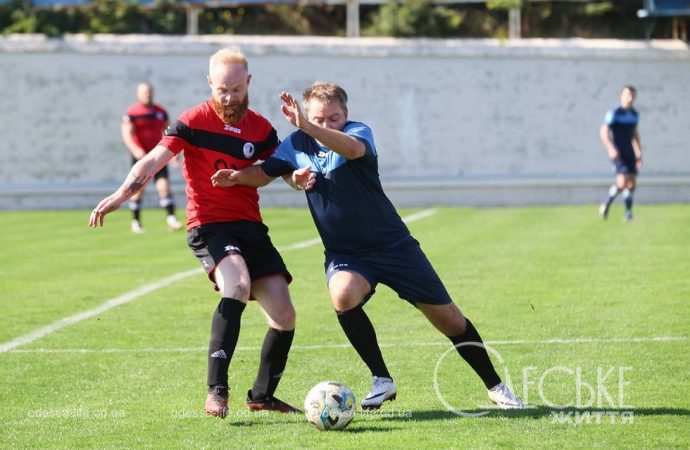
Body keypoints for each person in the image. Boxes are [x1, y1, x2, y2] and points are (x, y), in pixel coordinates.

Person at [211, 82, 524, 410]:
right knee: (342, 295)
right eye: (319, 118)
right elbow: (264, 173)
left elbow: (352, 150)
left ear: (345, 115)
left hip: (395, 247)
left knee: (450, 320)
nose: (327, 124)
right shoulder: (295, 146)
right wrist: (238, 177)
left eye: (334, 117)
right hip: (347, 254)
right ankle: (382, 379)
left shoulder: (358, 133)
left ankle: (495, 386)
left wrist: (307, 124)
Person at [90, 49, 300, 418]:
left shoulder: (262, 128)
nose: (229, 97)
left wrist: (295, 177)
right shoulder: (192, 121)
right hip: (209, 225)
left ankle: (262, 396)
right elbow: (154, 160)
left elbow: (280, 167)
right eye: (222, 89)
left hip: (251, 227)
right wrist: (122, 194)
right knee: (235, 284)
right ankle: (217, 391)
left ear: (248, 83)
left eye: (235, 89)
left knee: (284, 314)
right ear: (209, 84)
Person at [121, 82, 183, 233]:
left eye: (149, 92)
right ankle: (136, 221)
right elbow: (127, 133)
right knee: (138, 188)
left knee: (164, 186)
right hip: (142, 157)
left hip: (158, 155)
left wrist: (173, 153)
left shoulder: (161, 112)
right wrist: (136, 150)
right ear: (138, 94)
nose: (147, 94)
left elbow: (168, 133)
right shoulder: (132, 112)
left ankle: (171, 219)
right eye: (144, 92)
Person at [599, 85, 643, 222]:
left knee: (632, 183)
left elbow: (634, 134)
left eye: (632, 95)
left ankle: (628, 213)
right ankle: (606, 203)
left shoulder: (634, 114)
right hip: (618, 152)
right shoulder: (614, 113)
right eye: (627, 94)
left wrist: (638, 152)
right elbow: (604, 132)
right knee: (623, 181)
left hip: (629, 152)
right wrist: (610, 148)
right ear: (621, 96)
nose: (630, 97)